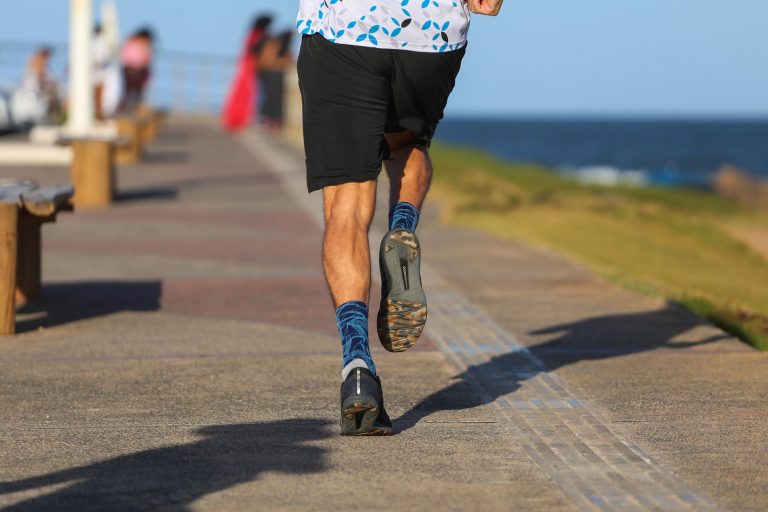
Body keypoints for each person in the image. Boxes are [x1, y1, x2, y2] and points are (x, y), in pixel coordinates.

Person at [296, 0, 504, 435]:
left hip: (343, 34)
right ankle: (403, 225)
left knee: (346, 207)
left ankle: (357, 365)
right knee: (409, 144)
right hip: (429, 39)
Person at [222, 15, 273, 131]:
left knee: (245, 93)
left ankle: (240, 118)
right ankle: (239, 118)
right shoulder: (256, 34)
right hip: (249, 66)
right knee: (247, 93)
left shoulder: (253, 34)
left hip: (248, 65)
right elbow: (252, 49)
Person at [255, 30, 293, 130]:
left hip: (270, 72)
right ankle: (270, 119)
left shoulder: (272, 43)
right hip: (272, 73)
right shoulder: (276, 45)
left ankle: (268, 119)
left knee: (270, 97)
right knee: (273, 97)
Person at [119, 28, 154, 113]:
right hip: (132, 71)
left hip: (133, 71)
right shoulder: (137, 44)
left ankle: (132, 106)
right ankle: (133, 106)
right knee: (133, 92)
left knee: (132, 93)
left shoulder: (130, 41)